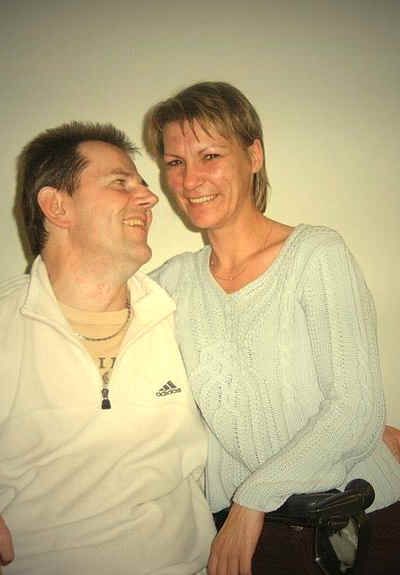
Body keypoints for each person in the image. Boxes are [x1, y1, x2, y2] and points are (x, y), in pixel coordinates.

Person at [144, 81, 400, 575]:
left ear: (254, 155)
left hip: (354, 522)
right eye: (175, 162)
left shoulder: (315, 255)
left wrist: (253, 496)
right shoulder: (171, 284)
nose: (191, 179)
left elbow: (356, 409)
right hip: (248, 536)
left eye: (210, 155)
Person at [0, 122, 215, 574]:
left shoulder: (178, 310)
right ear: (57, 206)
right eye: (121, 183)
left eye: (142, 184)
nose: (150, 197)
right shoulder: (5, 325)